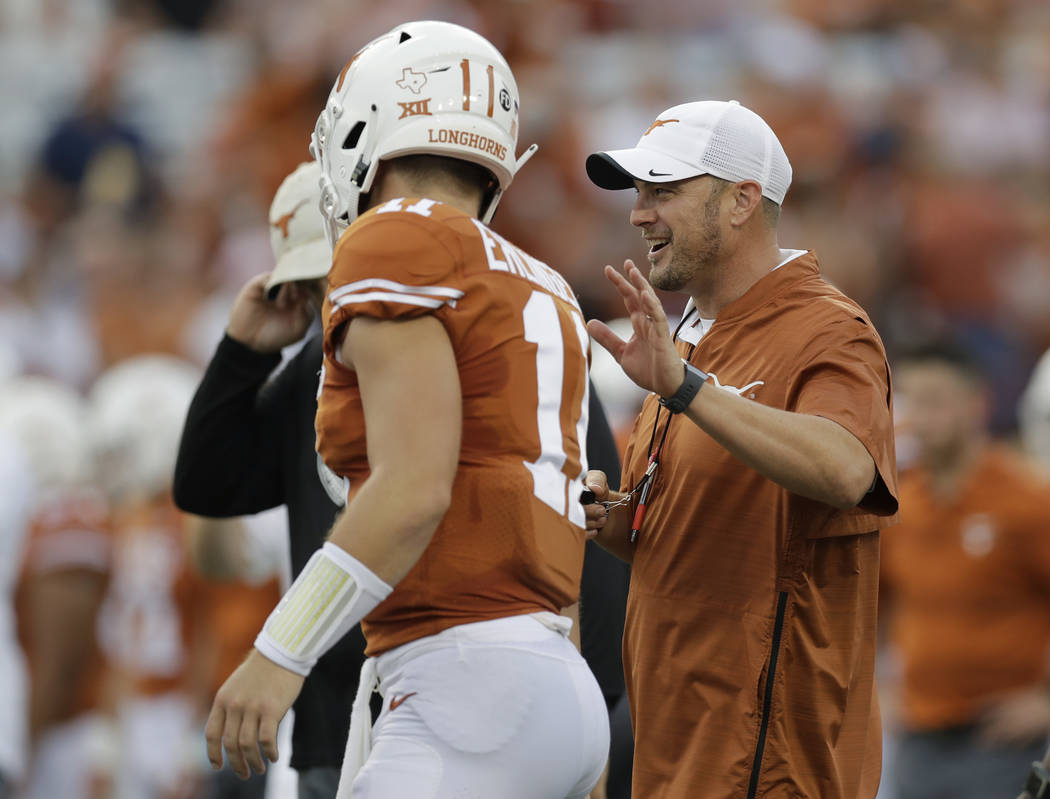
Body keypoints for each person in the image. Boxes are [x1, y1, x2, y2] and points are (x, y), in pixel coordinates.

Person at [203, 20, 609, 799]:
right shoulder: (543, 281)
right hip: (553, 676)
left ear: (365, 125)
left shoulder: (394, 240)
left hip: (466, 681)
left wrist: (279, 652)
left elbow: (414, 486)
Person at [581, 100, 900, 799]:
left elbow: (848, 469)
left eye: (663, 191)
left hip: (770, 759)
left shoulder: (828, 328)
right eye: (638, 193)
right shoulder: (688, 334)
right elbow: (682, 544)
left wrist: (688, 389)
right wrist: (606, 520)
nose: (639, 214)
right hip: (677, 748)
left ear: (741, 201)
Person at [175, 159, 367, 799]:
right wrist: (243, 350)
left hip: (433, 702)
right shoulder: (315, 364)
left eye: (329, 279)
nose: (325, 303)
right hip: (328, 724)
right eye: (311, 288)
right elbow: (208, 485)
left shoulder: (467, 345)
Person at [878, 340, 1050, 799]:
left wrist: (1046, 703)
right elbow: (872, 611)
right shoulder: (897, 505)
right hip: (917, 737)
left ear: (978, 404)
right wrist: (878, 692)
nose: (921, 417)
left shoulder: (1025, 500)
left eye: (936, 400)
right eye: (911, 400)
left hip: (1004, 741)